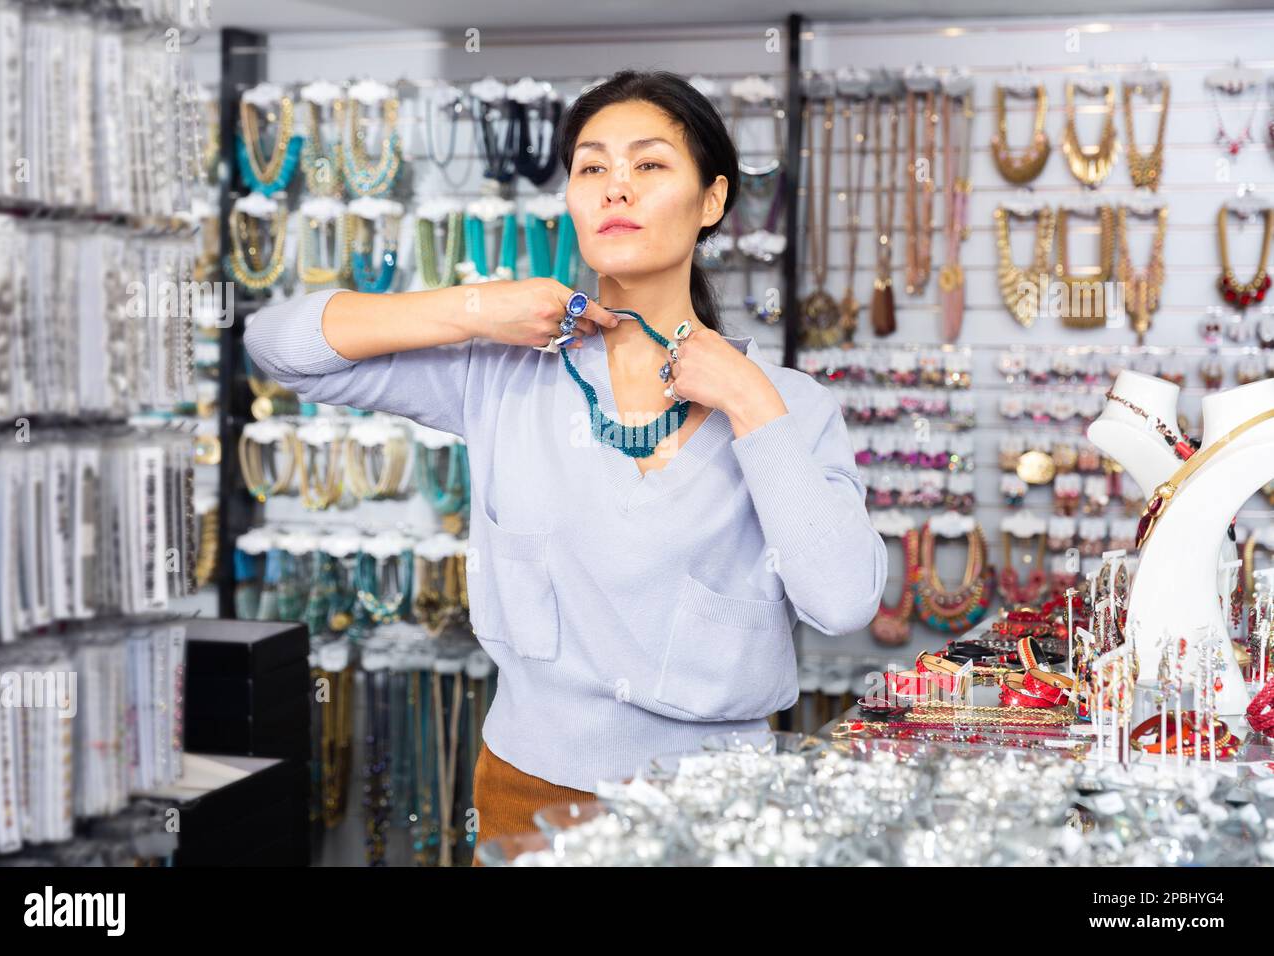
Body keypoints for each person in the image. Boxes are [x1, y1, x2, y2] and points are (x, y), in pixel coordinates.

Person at [243, 70, 887, 860]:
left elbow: (846, 599)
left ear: (712, 201)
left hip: (720, 814)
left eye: (650, 165)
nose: (617, 188)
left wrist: (751, 405)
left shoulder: (789, 404)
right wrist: (474, 307)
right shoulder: (504, 373)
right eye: (592, 168)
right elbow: (278, 345)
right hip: (529, 800)